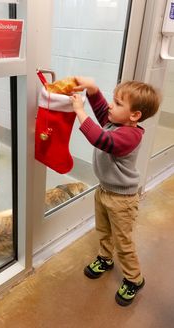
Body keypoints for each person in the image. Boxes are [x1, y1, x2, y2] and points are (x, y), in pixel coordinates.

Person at [70, 77, 161, 306]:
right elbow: (102, 109)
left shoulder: (130, 136)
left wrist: (80, 112)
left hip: (122, 200)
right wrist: (92, 89)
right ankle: (105, 258)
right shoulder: (115, 122)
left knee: (123, 242)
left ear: (135, 116)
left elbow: (99, 139)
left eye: (118, 103)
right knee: (103, 230)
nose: (110, 105)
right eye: (113, 100)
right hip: (104, 191)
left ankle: (134, 279)